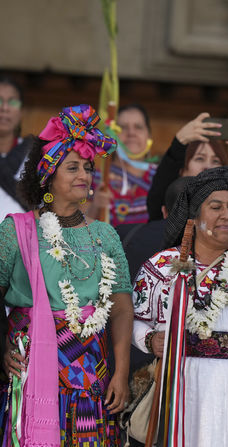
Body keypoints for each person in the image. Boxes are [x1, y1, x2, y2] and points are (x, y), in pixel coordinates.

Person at [0, 104, 133, 445]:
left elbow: (120, 309)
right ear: (47, 176)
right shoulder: (17, 230)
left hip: (93, 372)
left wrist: (120, 372)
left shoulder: (106, 235)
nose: (84, 175)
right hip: (31, 369)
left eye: (88, 168)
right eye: (72, 167)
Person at [132, 166, 228, 446]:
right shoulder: (162, 266)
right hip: (178, 384)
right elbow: (135, 320)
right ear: (195, 215)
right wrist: (149, 339)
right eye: (216, 207)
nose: (226, 215)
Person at [146, 113, 228, 221]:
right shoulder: (171, 210)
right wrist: (179, 142)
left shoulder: (227, 211)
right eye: (200, 158)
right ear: (182, 170)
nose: (208, 166)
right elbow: (156, 205)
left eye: (215, 161)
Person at [88, 104, 157, 226]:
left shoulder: (162, 176)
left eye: (138, 127)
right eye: (122, 128)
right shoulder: (93, 178)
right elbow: (79, 230)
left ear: (149, 136)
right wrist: (95, 206)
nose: (131, 133)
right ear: (111, 136)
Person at [0, 75, 32, 218]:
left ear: (21, 112)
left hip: (23, 239)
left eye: (12, 102)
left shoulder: (35, 155)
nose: (4, 108)